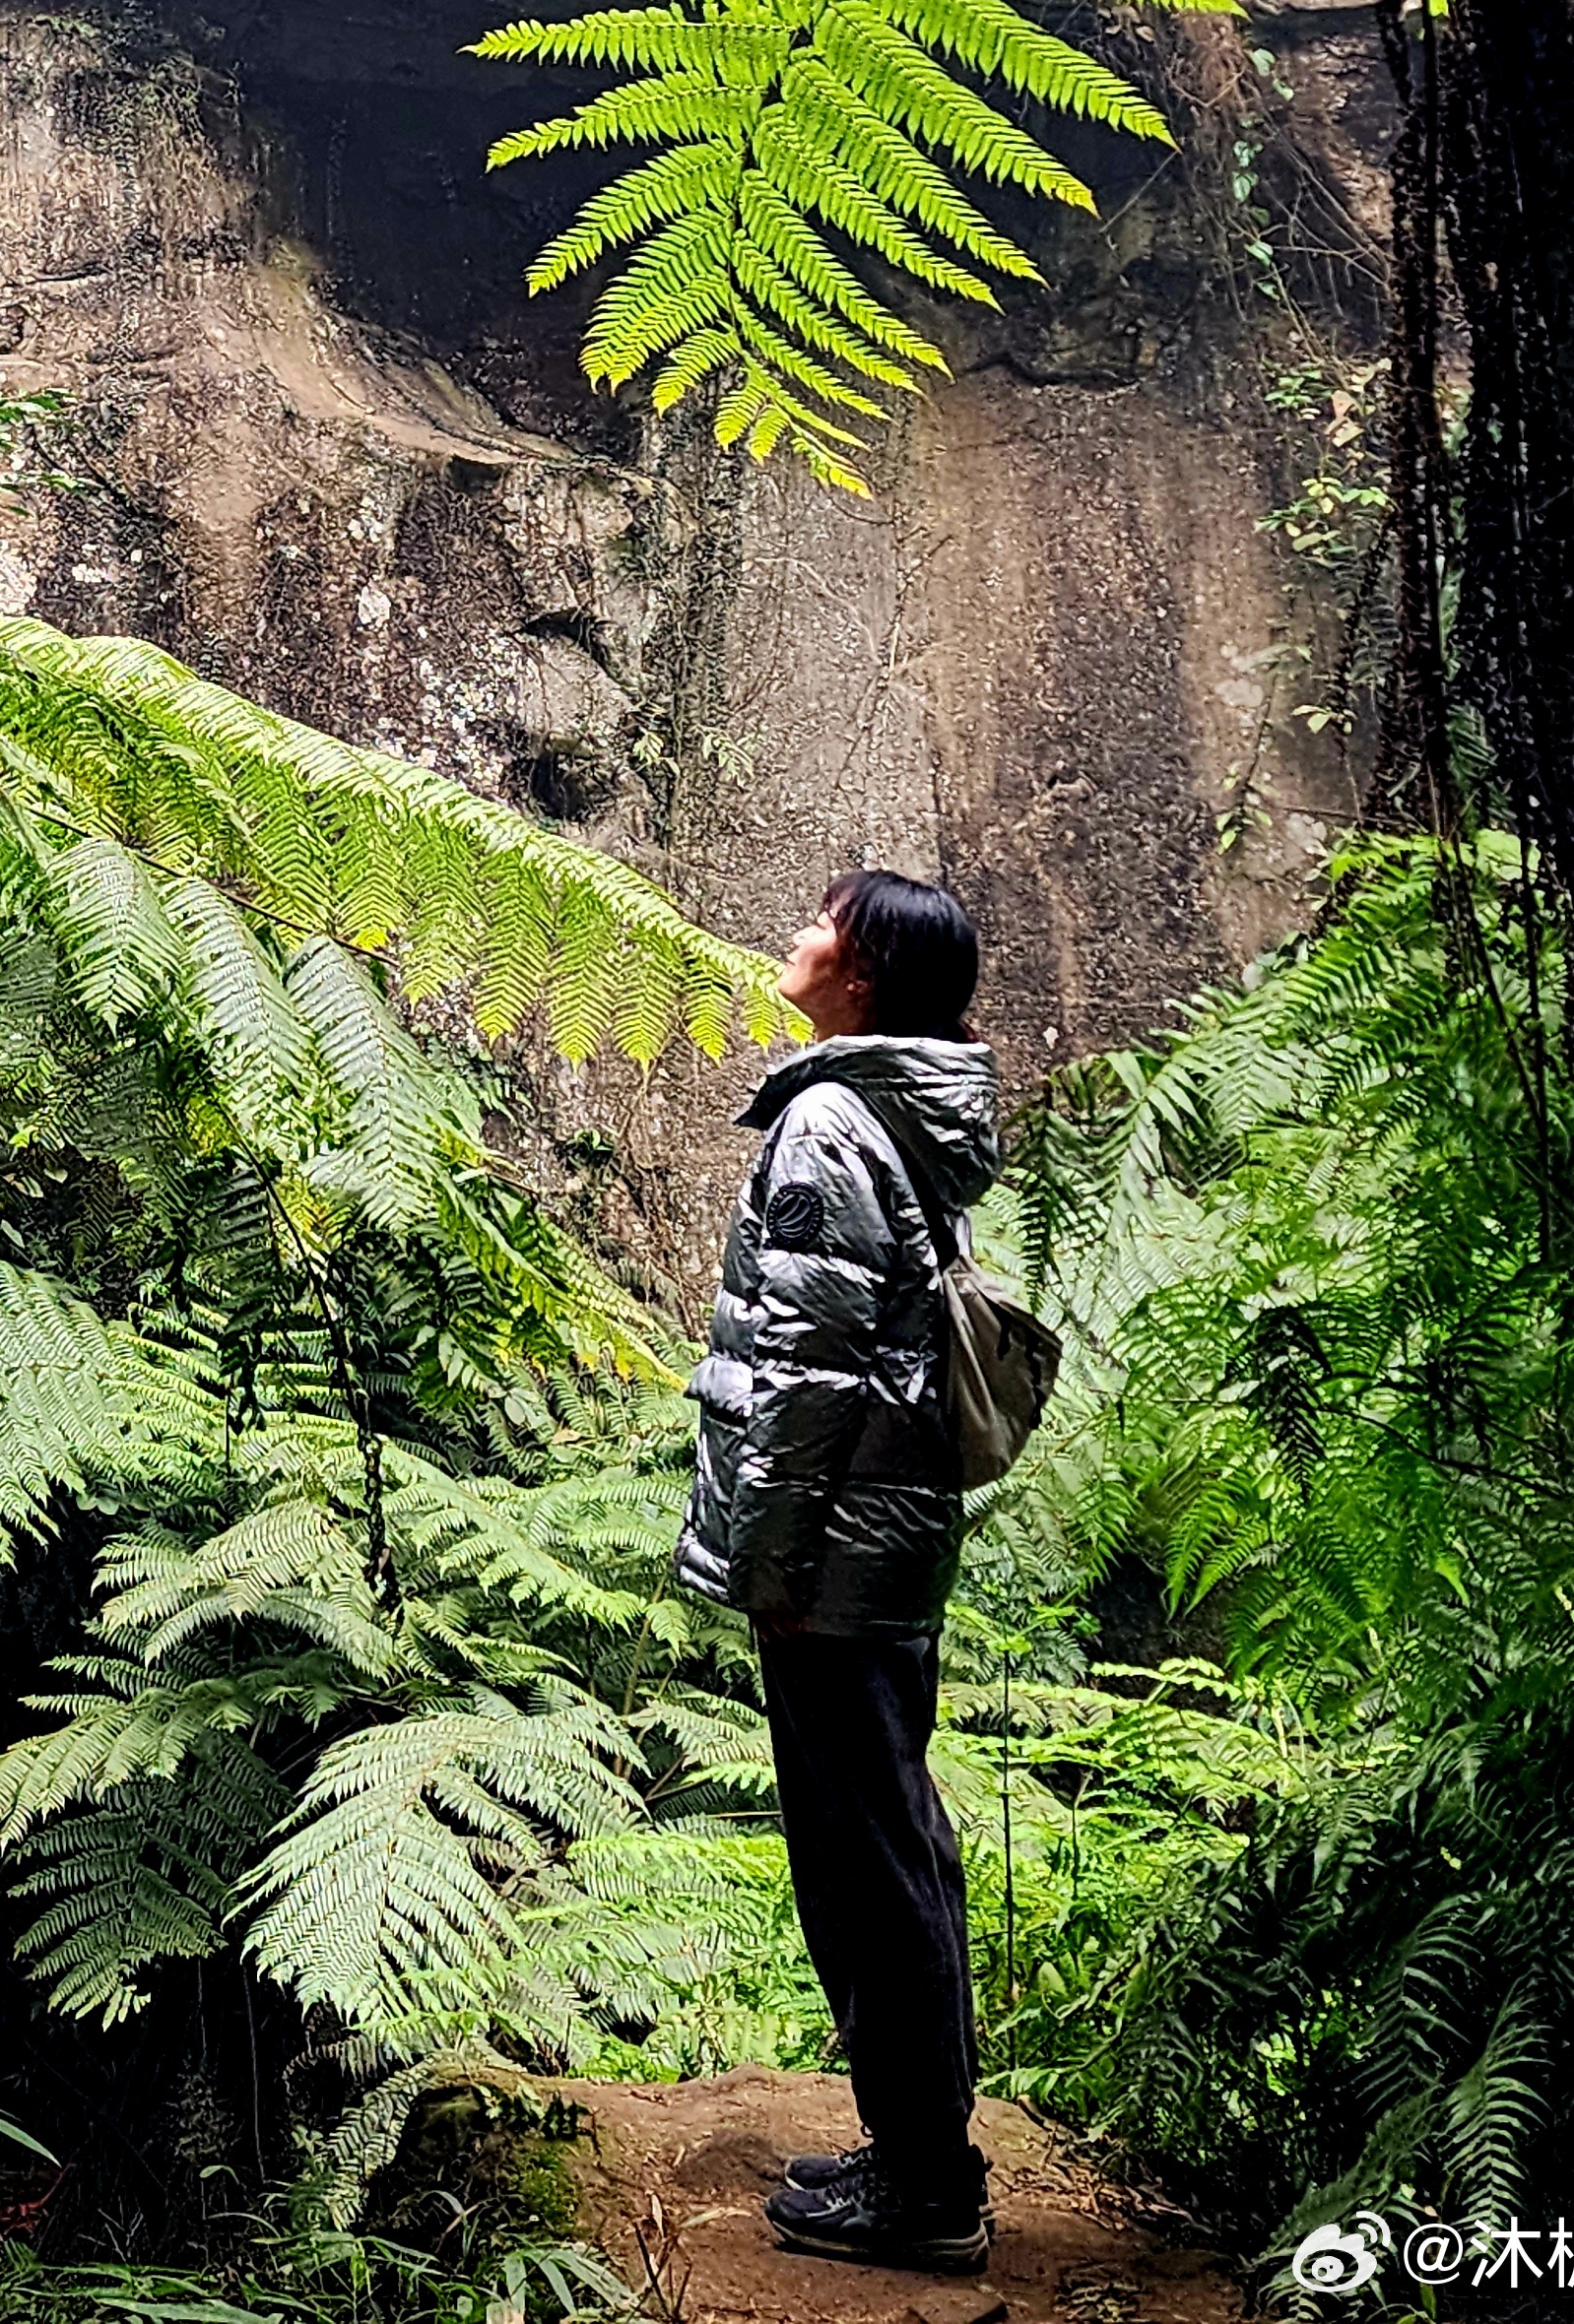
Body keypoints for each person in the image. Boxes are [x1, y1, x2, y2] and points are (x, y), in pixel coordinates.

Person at [674, 868, 1001, 2274]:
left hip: (833, 1554)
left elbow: (803, 1376)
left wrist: (770, 1561)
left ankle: (925, 2191)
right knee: (898, 1837)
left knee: (864, 1859)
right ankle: (920, 2145)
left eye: (820, 923)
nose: (795, 937)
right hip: (891, 1534)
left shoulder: (829, 1116)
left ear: (861, 974)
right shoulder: (913, 1115)